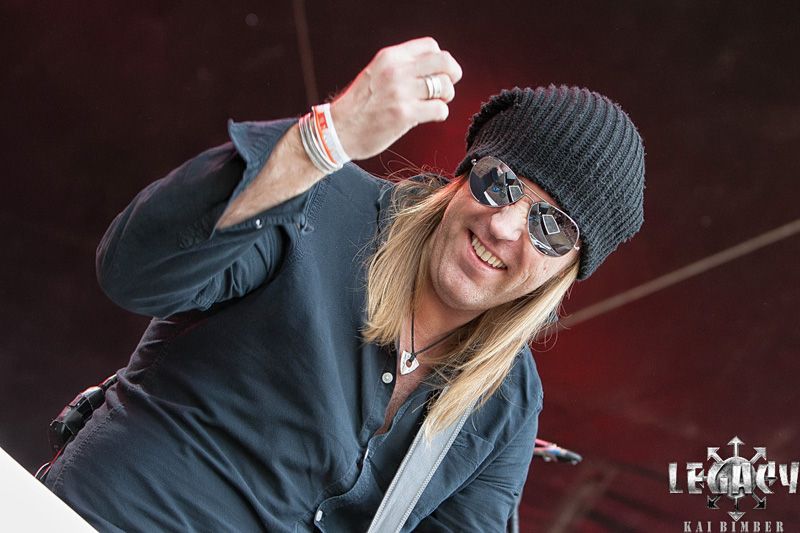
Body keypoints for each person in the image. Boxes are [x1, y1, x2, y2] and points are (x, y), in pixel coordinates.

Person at [42, 37, 645, 531]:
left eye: (551, 227)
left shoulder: (508, 402)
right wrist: (324, 140)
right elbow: (133, 271)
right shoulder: (320, 201)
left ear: (568, 270)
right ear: (462, 178)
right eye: (500, 182)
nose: (505, 225)